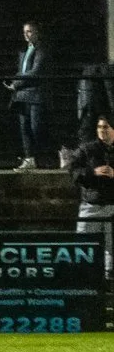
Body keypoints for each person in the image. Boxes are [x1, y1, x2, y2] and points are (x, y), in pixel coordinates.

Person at [70, 112, 114, 279]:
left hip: (112, 205)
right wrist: (92, 172)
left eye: (106, 127)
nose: (102, 131)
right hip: (91, 204)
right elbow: (73, 171)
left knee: (112, 248)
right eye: (99, 127)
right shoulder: (87, 149)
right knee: (84, 244)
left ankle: (109, 281)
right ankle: (84, 278)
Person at [9, 22, 49, 171]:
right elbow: (22, 70)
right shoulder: (24, 51)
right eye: (25, 32)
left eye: (30, 31)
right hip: (22, 95)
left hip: (35, 94)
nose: (27, 34)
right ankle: (29, 158)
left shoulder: (41, 50)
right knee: (24, 127)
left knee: (35, 127)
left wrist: (16, 82)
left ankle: (41, 157)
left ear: (37, 32)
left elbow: (35, 71)